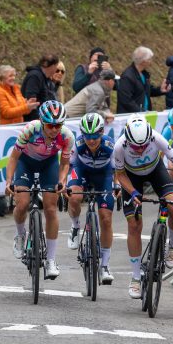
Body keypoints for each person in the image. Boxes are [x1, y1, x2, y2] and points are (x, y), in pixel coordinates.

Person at [114, 115, 173, 299]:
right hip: (131, 177)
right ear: (127, 140)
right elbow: (120, 174)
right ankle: (135, 276)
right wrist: (133, 192)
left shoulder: (157, 138)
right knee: (134, 224)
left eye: (143, 146)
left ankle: (172, 245)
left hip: (156, 171)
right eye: (136, 146)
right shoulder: (120, 146)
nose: (140, 150)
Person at [5, 101, 74, 279]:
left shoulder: (66, 136)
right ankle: (20, 236)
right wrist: (9, 181)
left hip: (48, 165)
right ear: (43, 122)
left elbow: (65, 164)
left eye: (58, 125)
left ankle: (51, 260)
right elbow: (13, 158)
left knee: (51, 209)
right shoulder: (30, 130)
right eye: (50, 125)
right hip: (25, 164)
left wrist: (61, 181)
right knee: (22, 204)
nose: (54, 129)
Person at [66, 113, 116, 284]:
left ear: (101, 133)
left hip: (104, 175)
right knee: (74, 197)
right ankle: (75, 227)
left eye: (95, 136)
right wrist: (67, 185)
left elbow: (119, 170)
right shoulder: (78, 145)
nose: (92, 140)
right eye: (87, 136)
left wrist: (117, 188)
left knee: (106, 218)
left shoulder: (110, 146)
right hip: (82, 171)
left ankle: (104, 266)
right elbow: (68, 165)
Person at [116, 46, 170, 113]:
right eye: (150, 59)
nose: (151, 62)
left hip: (143, 115)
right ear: (143, 62)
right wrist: (141, 111)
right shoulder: (127, 77)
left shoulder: (144, 74)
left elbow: (146, 91)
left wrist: (160, 90)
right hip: (131, 118)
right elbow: (126, 100)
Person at [20, 54, 60, 121]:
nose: (56, 69)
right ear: (52, 66)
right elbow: (31, 99)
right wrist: (38, 119)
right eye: (56, 66)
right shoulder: (35, 76)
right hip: (34, 121)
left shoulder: (45, 79)